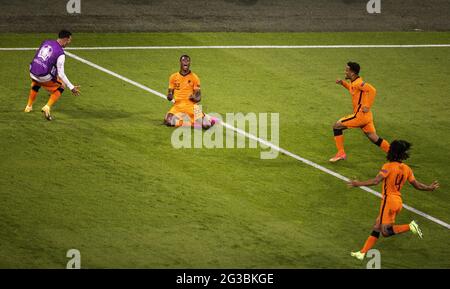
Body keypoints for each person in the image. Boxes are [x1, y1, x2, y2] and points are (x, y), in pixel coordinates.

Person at [348, 140, 439, 260]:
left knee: (385, 232)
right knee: (377, 225)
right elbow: (417, 185)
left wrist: (357, 183)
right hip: (398, 201)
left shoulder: (387, 167)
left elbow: (376, 181)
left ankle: (410, 226)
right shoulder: (407, 169)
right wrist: (430, 188)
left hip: (388, 201)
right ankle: (362, 253)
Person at [330, 62, 390, 162]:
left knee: (336, 126)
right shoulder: (355, 83)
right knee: (374, 138)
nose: (345, 72)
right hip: (367, 117)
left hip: (360, 116)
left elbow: (372, 90)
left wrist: (367, 105)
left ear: (352, 73)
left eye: (347, 70)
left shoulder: (359, 83)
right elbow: (352, 89)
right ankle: (394, 154)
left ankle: (341, 153)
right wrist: (343, 83)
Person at [25, 29, 80, 120]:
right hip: (44, 76)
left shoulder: (46, 42)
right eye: (69, 40)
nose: (69, 42)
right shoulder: (61, 54)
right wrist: (72, 87)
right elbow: (61, 74)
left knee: (36, 83)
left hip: (32, 71)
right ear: (65, 39)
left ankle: (28, 106)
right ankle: (47, 107)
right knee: (62, 85)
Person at [164, 55, 215, 129]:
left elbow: (199, 98)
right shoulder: (173, 77)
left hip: (192, 106)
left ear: (189, 63)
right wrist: (169, 96)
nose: (186, 62)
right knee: (168, 122)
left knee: (206, 125)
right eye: (184, 61)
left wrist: (194, 98)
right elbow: (169, 95)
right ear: (180, 62)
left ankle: (208, 118)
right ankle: (193, 123)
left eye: (187, 61)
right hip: (178, 106)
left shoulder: (194, 77)